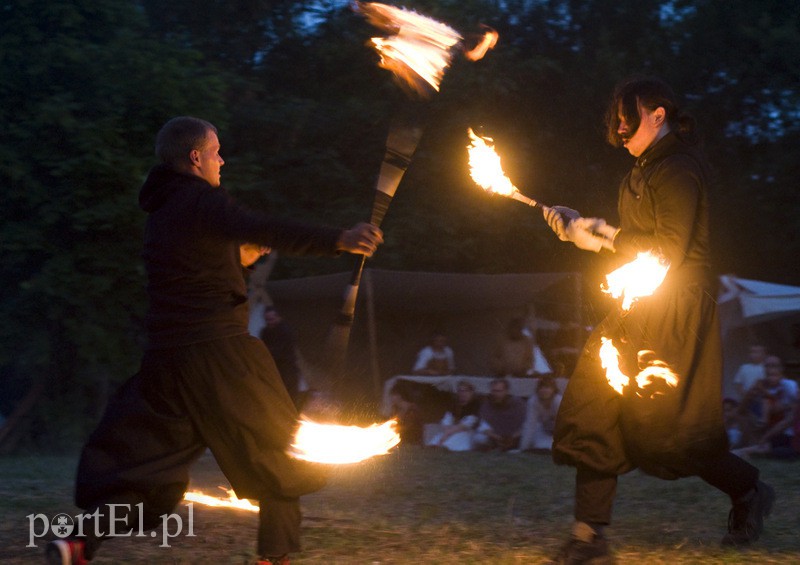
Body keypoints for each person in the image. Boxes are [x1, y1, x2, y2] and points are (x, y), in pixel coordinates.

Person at [47, 116, 383, 565]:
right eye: (216, 151)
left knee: (151, 475)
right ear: (195, 156)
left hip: (167, 363)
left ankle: (77, 543)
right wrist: (339, 240)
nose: (221, 160)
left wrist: (236, 259)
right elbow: (262, 226)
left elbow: (194, 272)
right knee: (280, 455)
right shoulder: (200, 199)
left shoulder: (163, 212)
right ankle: (275, 557)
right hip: (221, 354)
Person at [541, 77, 774, 563]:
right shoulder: (640, 174)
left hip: (677, 315)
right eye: (616, 121)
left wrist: (600, 234)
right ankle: (589, 538)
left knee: (671, 438)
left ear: (658, 114)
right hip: (635, 308)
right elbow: (633, 240)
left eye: (629, 119)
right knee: (592, 409)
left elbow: (666, 251)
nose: (620, 129)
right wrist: (580, 225)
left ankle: (749, 490)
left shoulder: (679, 170)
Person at [734, 355, 799, 459]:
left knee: (766, 403)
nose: (770, 369)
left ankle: (751, 448)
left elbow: (790, 412)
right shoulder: (760, 384)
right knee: (740, 413)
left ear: (781, 369)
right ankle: (748, 446)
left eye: (774, 366)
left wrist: (784, 406)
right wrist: (750, 392)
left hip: (781, 427)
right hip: (763, 423)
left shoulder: (789, 385)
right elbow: (740, 410)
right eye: (767, 366)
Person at [260, 306, 303, 407]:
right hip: (275, 369)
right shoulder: (266, 332)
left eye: (271, 319)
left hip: (286, 369)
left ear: (278, 317)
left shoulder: (285, 331)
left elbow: (281, 350)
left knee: (288, 398)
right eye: (267, 320)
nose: (269, 322)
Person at [424, 380, 481, 451]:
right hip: (450, 430)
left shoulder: (475, 406)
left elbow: (466, 425)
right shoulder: (455, 405)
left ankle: (443, 446)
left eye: (466, 391)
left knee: (458, 437)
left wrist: (447, 434)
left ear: (471, 392)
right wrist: (447, 431)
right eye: (460, 391)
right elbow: (447, 419)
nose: (463, 393)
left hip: (467, 432)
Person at [472, 378, 526, 452]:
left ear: (506, 391)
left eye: (499, 391)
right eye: (493, 391)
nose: (495, 394)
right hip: (495, 437)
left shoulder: (518, 403)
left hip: (515, 437)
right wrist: (497, 437)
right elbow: (482, 424)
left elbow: (525, 425)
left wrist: (512, 437)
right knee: (478, 438)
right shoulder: (487, 404)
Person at [519, 376, 562, 452]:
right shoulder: (533, 401)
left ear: (553, 389)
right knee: (539, 444)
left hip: (560, 431)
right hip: (544, 429)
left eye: (547, 387)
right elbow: (530, 424)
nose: (544, 390)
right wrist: (523, 447)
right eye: (541, 388)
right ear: (538, 389)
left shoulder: (558, 401)